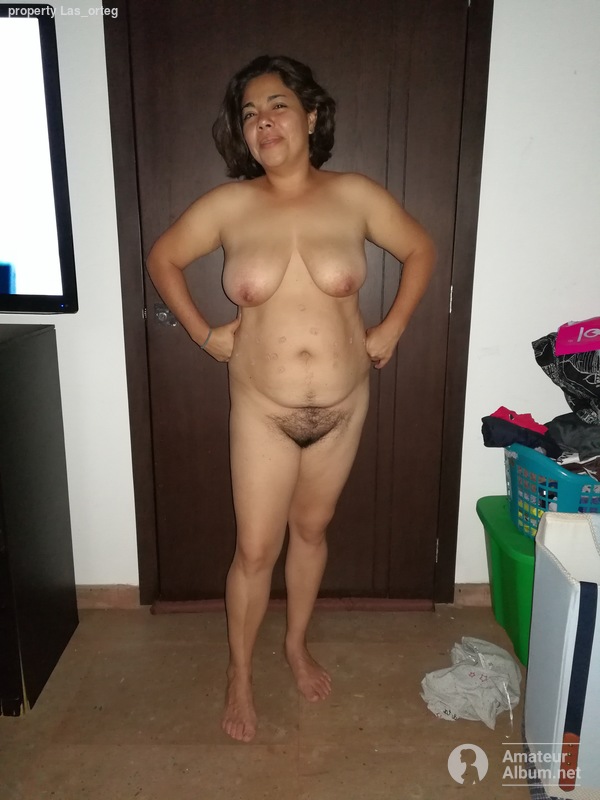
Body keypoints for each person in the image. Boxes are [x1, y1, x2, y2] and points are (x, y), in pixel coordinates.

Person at [146, 54, 436, 743]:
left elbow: (420, 249)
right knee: (254, 549)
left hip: (344, 406)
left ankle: (296, 645)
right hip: (263, 410)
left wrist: (392, 327)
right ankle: (240, 676)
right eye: (249, 114)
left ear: (311, 115)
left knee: (311, 531)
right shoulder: (229, 207)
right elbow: (163, 258)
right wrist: (204, 335)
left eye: (277, 105)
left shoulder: (355, 196)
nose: (263, 122)